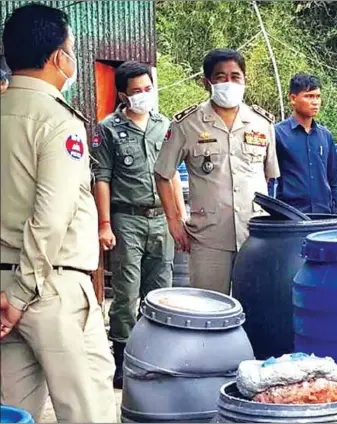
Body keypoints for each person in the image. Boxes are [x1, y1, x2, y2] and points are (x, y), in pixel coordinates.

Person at [0, 4, 117, 423]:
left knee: (13, 411)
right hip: (51, 286)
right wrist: (18, 296)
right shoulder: (57, 120)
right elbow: (50, 217)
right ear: (57, 58)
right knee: (89, 410)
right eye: (70, 49)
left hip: (3, 287)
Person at [154, 48, 280, 295]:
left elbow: (268, 176)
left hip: (254, 234)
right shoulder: (186, 124)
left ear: (245, 80)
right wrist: (173, 221)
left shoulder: (262, 123)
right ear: (206, 82)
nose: (229, 83)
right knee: (210, 309)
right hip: (208, 237)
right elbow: (162, 173)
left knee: (256, 307)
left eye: (235, 76)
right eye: (221, 77)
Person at [91, 60, 183, 389]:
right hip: (126, 218)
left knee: (161, 291)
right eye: (136, 91)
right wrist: (105, 224)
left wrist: (179, 217)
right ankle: (123, 358)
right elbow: (101, 178)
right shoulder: (108, 128)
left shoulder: (164, 125)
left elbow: (170, 175)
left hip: (161, 218)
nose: (144, 95)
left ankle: (157, 355)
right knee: (127, 293)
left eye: (148, 89)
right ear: (122, 94)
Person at [274, 73, 337, 215]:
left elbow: (334, 179)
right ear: (293, 99)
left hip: (324, 215)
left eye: (317, 96)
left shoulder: (325, 136)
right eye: (309, 96)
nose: (315, 102)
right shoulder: (278, 134)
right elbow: (269, 180)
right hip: (291, 217)